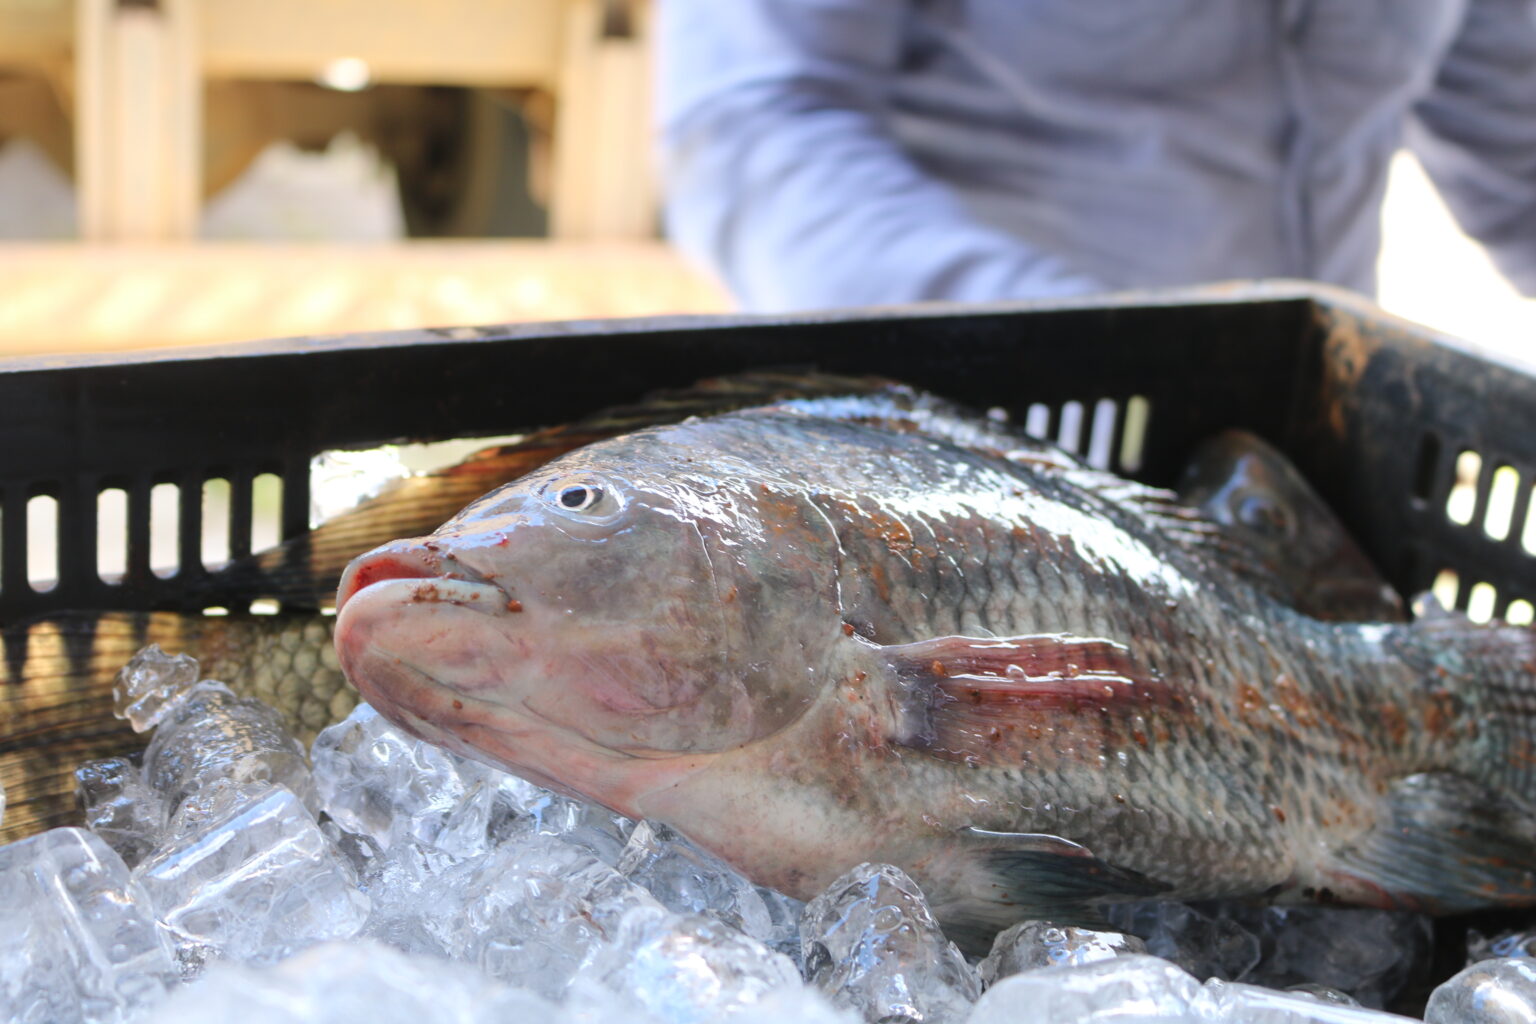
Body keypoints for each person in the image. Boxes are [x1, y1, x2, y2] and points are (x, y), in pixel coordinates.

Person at [656, 1, 1536, 312]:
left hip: (1292, 481)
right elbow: (749, 129)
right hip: (968, 481)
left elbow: (1521, 166)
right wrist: (1106, 348)